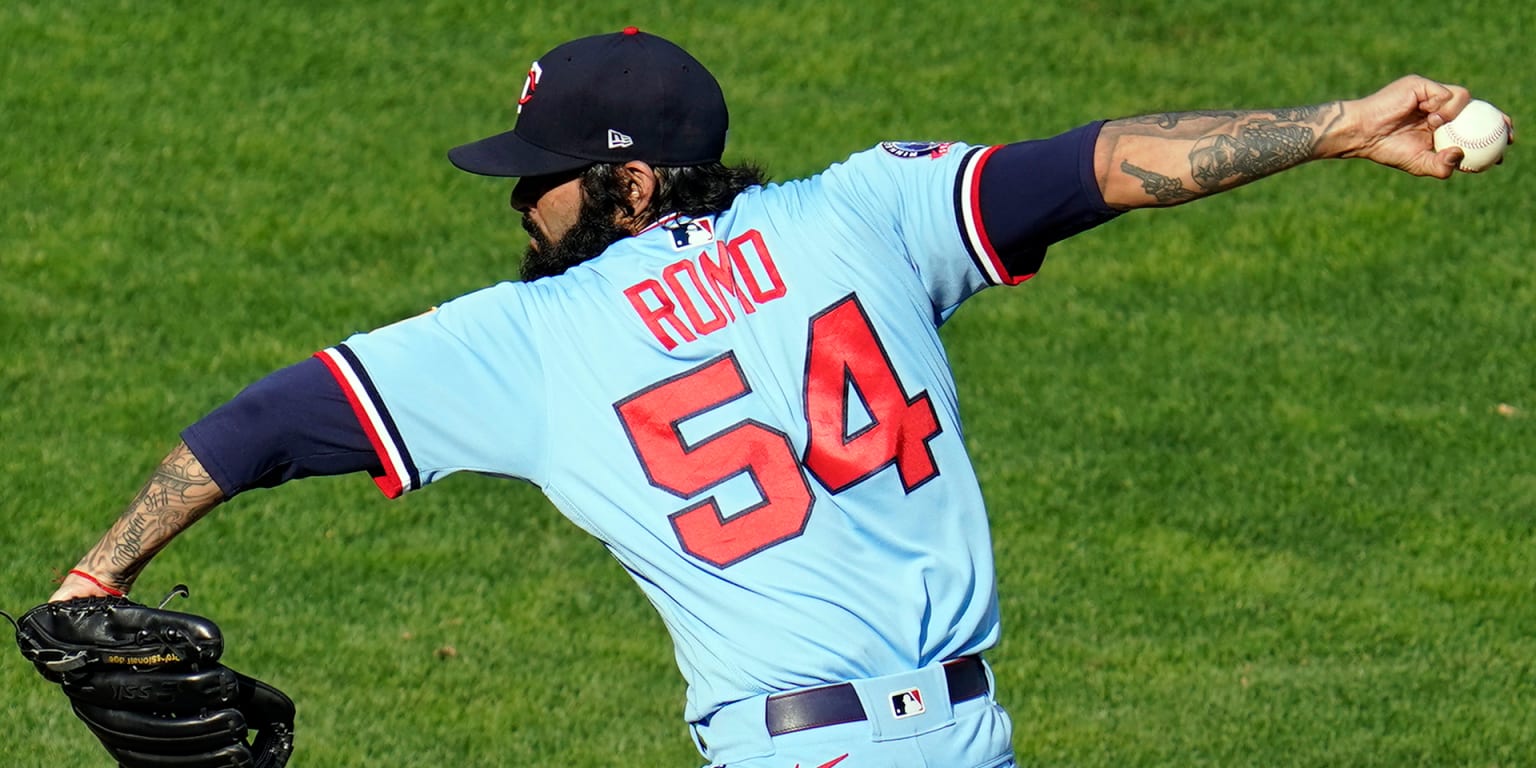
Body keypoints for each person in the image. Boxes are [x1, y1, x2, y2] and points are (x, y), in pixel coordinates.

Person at [45, 26, 1508, 768]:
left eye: (543, 177)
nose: (523, 201)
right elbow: (1098, 163)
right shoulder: (867, 213)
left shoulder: (524, 339)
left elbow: (258, 427)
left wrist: (103, 566)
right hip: (963, 737)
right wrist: (1333, 128)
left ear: (624, 180)